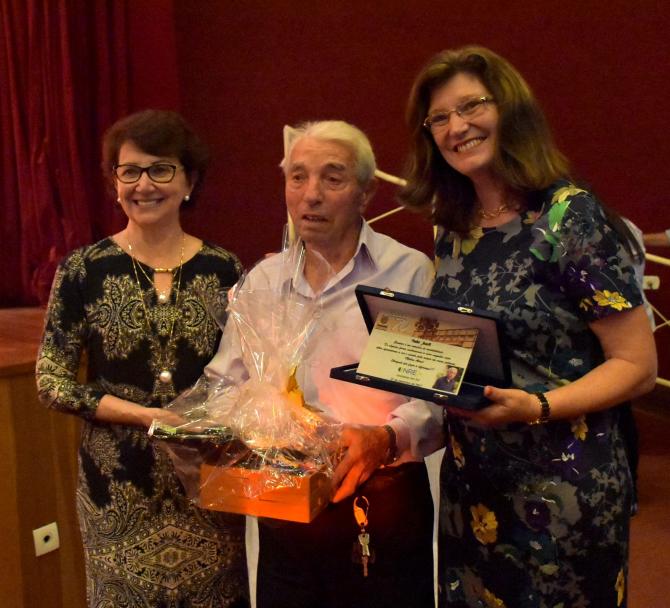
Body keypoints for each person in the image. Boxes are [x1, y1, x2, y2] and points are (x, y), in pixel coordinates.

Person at [399, 46, 657, 608]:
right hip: (474, 488)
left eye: (471, 106)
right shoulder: (453, 227)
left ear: (510, 108)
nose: (456, 127)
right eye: (439, 118)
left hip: (563, 491)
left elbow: (637, 366)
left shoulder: (570, 217)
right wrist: (408, 357)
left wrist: (537, 407)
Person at [206, 120, 444, 608]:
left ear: (366, 193)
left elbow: (436, 396)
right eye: (298, 177)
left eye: (332, 178)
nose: (311, 194)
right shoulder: (264, 282)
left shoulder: (405, 272)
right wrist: (251, 419)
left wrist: (386, 437)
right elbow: (223, 385)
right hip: (287, 503)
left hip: (384, 501)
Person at [36, 110, 249, 608]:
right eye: (129, 171)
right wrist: (147, 416)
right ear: (114, 183)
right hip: (116, 491)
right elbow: (51, 381)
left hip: (208, 485)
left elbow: (246, 377)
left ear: (189, 181)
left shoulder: (226, 269)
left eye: (161, 169)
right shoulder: (83, 270)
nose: (144, 184)